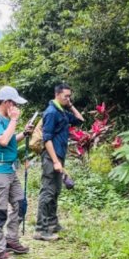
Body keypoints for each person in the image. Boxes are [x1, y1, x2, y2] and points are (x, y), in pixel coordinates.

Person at [0, 86, 32, 259]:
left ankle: (11, 239)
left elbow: (10, 139)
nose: (16, 107)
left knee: (21, 204)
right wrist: (14, 120)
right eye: (14, 103)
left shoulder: (5, 120)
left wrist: (23, 133)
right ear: (6, 102)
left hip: (11, 170)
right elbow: (3, 141)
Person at [35, 82, 83, 241]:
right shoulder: (51, 112)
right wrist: (55, 161)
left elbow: (79, 120)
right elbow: (47, 138)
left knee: (56, 190)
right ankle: (40, 229)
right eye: (65, 96)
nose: (68, 98)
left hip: (58, 157)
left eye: (70, 96)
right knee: (48, 191)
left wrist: (70, 105)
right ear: (57, 94)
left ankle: (52, 223)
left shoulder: (62, 111)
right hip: (51, 157)